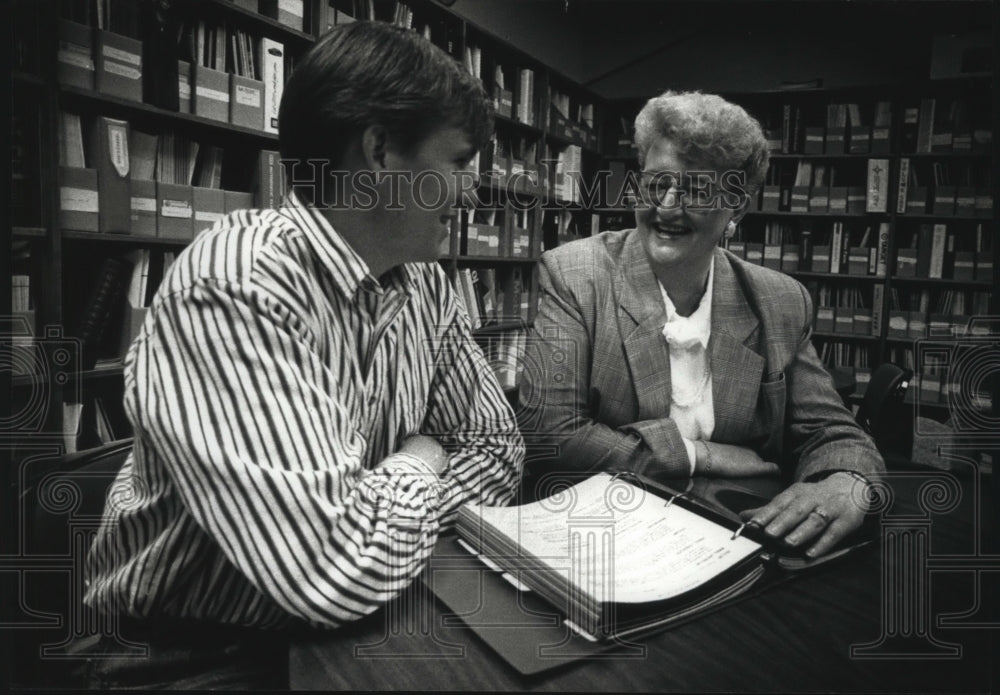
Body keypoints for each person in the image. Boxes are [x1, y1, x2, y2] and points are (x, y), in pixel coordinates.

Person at [80, 22, 523, 689]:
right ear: (379, 149)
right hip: (191, 653)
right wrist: (420, 458)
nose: (471, 193)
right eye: (458, 163)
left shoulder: (426, 282)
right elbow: (333, 567)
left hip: (368, 611)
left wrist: (371, 515)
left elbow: (497, 447)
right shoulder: (237, 281)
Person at [518, 90, 884, 560]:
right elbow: (551, 436)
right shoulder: (575, 275)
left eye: (696, 190)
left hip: (737, 540)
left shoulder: (780, 301)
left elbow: (832, 432)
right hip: (603, 541)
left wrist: (847, 482)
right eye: (656, 184)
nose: (668, 206)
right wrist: (698, 455)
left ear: (737, 207)